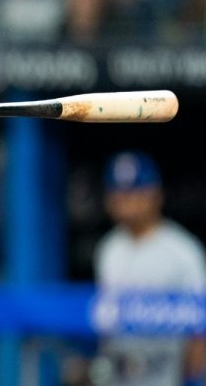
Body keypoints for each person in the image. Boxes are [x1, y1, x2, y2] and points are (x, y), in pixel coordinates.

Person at [94, 150, 206, 386]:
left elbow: (200, 329)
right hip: (119, 372)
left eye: (135, 192)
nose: (126, 201)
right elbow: (104, 320)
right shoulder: (108, 249)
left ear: (156, 195)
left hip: (166, 373)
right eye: (120, 193)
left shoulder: (183, 251)